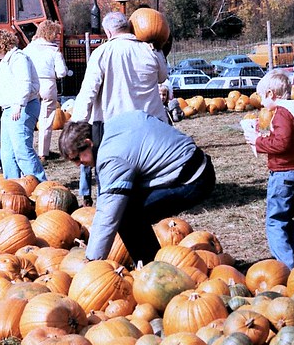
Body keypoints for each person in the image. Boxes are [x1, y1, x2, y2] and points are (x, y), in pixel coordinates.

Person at [60, 110, 215, 265]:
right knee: (127, 203)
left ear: (88, 143)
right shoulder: (114, 125)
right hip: (197, 164)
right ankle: (151, 262)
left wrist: (92, 260)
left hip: (193, 180)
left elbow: (109, 213)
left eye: (76, 158)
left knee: (126, 215)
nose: (78, 164)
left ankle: (151, 268)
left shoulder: (111, 157)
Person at [71, 11, 170, 206]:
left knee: (114, 175)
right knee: (146, 171)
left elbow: (88, 92)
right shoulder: (149, 50)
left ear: (108, 31)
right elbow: (162, 77)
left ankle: (112, 206)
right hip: (149, 124)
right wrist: (157, 47)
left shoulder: (102, 53)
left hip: (114, 126)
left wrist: (76, 124)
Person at [242, 70, 294, 270]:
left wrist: (258, 141)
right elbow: (291, 140)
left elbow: (282, 144)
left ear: (272, 94)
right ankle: (290, 257)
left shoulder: (282, 113)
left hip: (283, 174)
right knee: (286, 218)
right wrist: (264, 135)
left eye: (262, 98)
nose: (262, 104)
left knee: (275, 220)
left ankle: (286, 267)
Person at [0, 29, 47, 181]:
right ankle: (12, 186)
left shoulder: (19, 58)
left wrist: (18, 104)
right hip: (8, 109)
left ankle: (40, 185)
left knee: (22, 150)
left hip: (22, 107)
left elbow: (24, 83)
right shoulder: (5, 61)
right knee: (7, 153)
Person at [22, 20, 69, 163]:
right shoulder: (54, 51)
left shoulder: (28, 49)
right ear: (50, 34)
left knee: (28, 118)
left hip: (31, 84)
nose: (57, 36)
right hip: (48, 85)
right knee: (46, 120)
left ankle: (26, 150)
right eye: (55, 34)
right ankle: (43, 153)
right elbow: (61, 73)